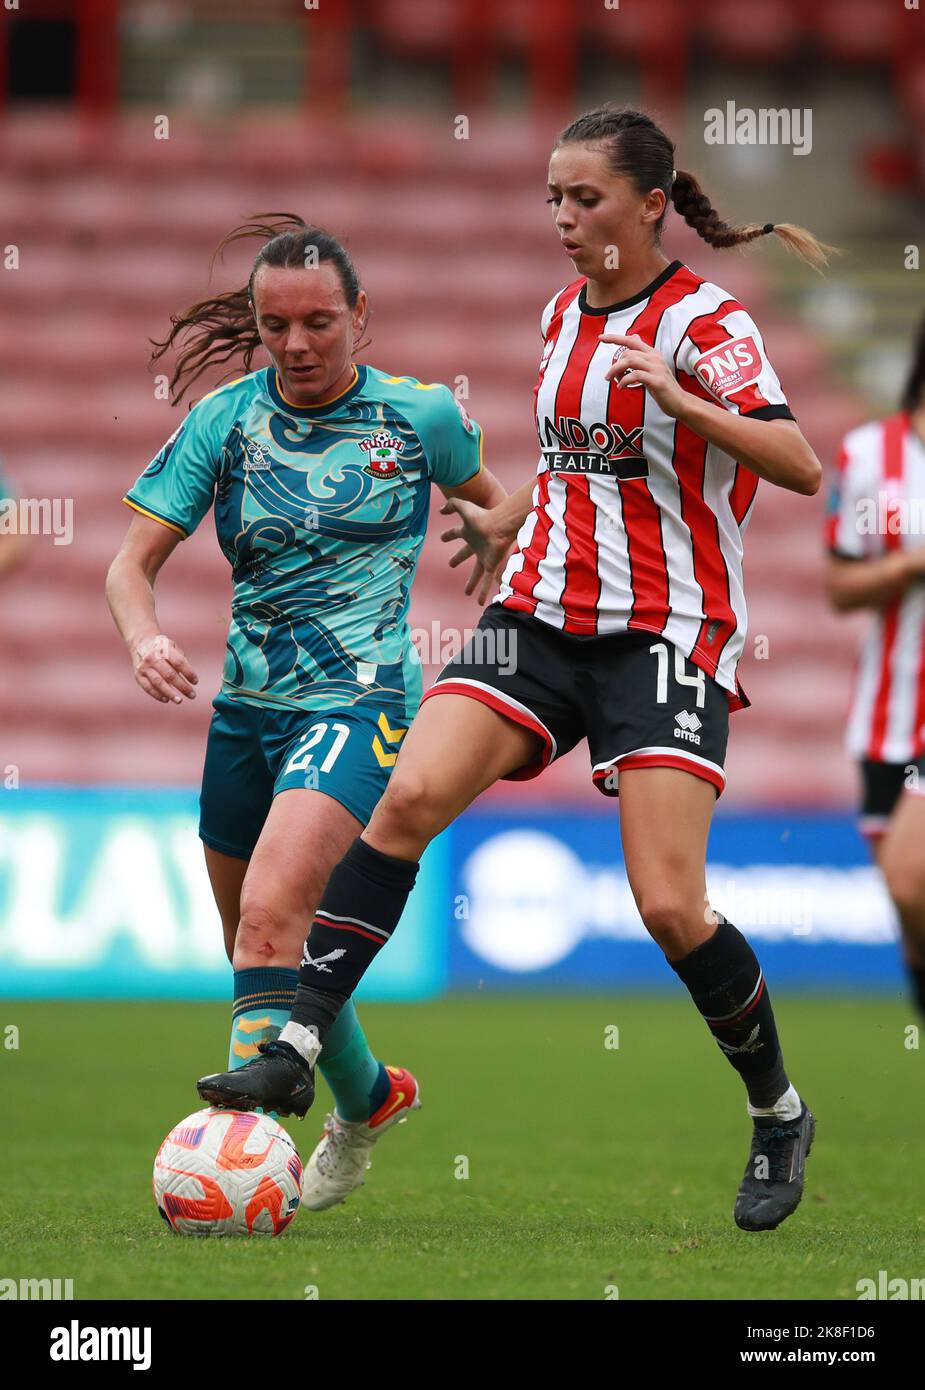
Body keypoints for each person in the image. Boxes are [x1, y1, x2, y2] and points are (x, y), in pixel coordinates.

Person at [198, 108, 828, 1232]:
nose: (562, 218)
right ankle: (295, 1050)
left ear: (647, 203)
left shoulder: (707, 322)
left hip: (661, 630)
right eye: (552, 198)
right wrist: (511, 522)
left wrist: (686, 403)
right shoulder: (558, 316)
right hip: (537, 611)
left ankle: (777, 1111)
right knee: (406, 797)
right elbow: (581, 470)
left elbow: (799, 463)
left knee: (668, 904)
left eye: (583, 198)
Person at [106, 216, 505, 1210]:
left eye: (319, 322)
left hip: (361, 698)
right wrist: (143, 636)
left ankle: (235, 1160)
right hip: (245, 713)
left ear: (360, 317)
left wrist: (496, 544)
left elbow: (496, 508)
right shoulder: (224, 420)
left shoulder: (421, 417)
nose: (296, 345)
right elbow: (129, 566)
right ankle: (369, 1098)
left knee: (279, 910)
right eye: (275, 324)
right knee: (262, 944)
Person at [825, 313, 925, 1019]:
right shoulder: (868, 454)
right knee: (907, 905)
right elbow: (840, 588)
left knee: (911, 882)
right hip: (886, 717)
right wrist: (913, 563)